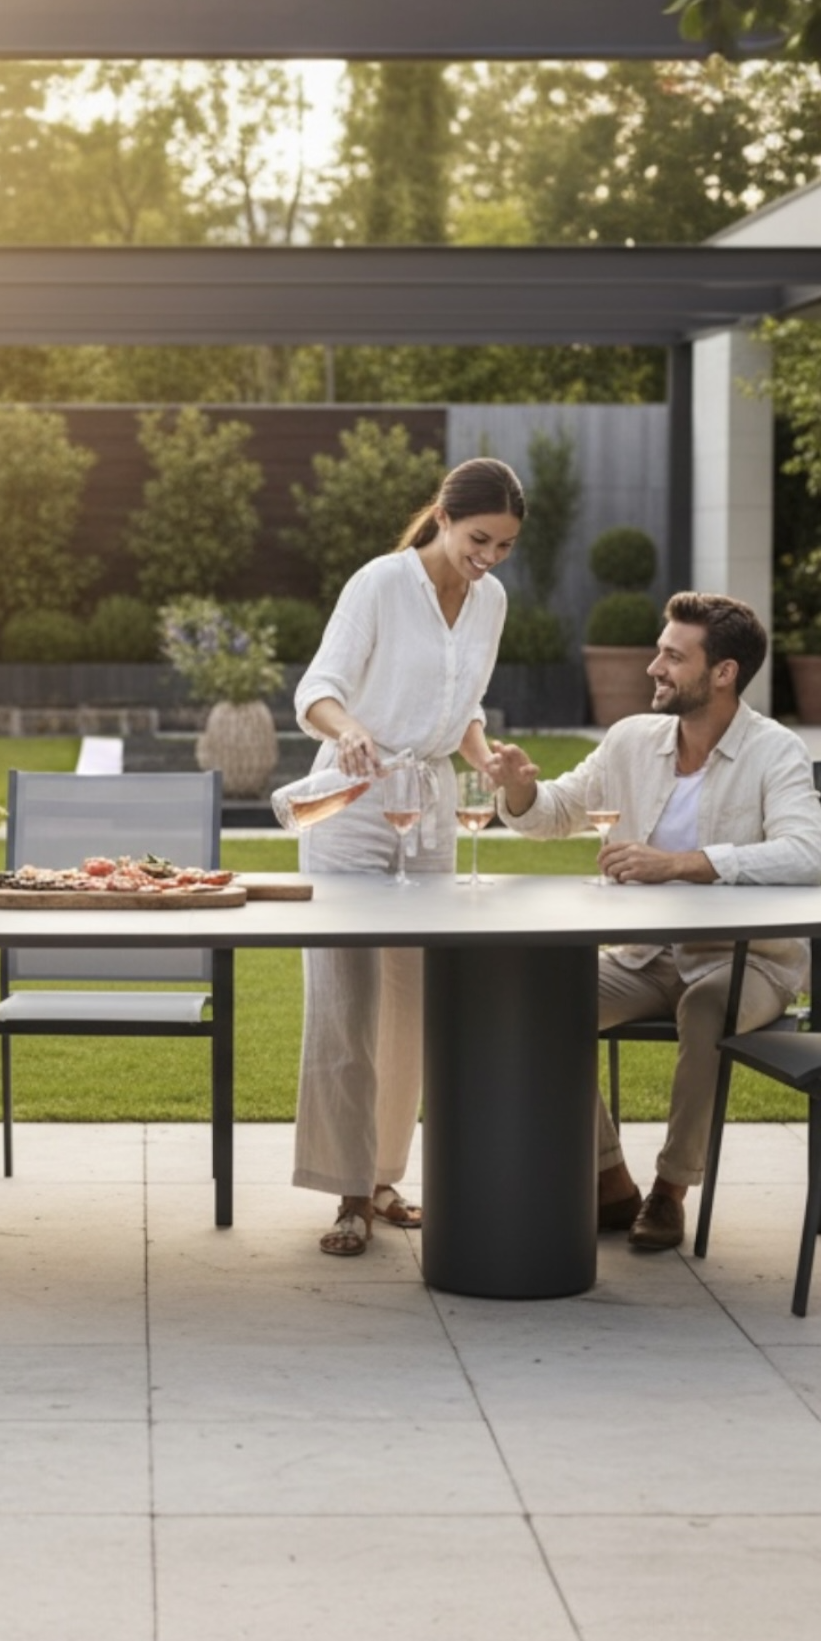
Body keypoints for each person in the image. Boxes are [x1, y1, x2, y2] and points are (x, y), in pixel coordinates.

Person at [484, 591, 821, 1252]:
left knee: (706, 1007)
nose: (654, 668)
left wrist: (682, 864)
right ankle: (611, 1182)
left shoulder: (775, 751)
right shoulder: (631, 741)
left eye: (673, 656)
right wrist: (521, 788)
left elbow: (805, 854)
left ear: (723, 672)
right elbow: (555, 813)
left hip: (747, 961)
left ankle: (670, 1192)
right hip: (646, 956)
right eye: (659, 651)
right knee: (542, 1005)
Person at [292, 456, 524, 1256]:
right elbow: (316, 690)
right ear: (444, 516)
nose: (489, 558)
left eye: (504, 546)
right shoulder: (380, 584)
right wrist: (349, 729)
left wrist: (485, 755)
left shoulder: (491, 601)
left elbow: (463, 707)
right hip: (353, 804)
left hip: (427, 808)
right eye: (479, 539)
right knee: (346, 1000)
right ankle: (348, 1192)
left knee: (411, 1003)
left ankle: (385, 1177)